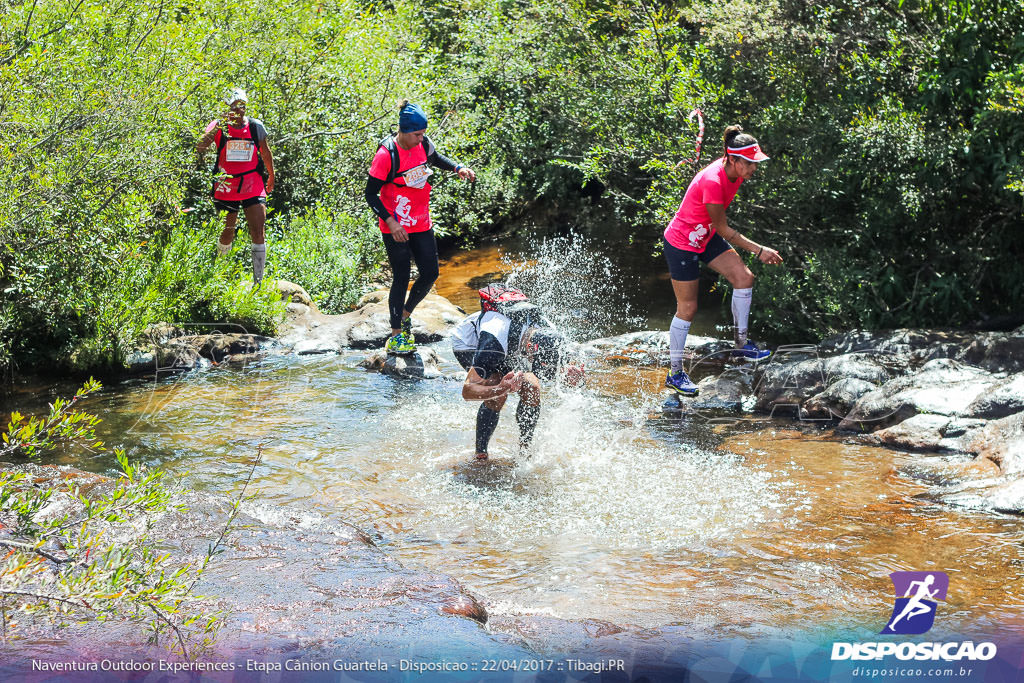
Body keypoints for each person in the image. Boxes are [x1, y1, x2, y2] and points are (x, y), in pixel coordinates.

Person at [662, 125, 783, 396]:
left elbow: (715, 228)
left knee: (744, 278)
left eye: (756, 162)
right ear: (733, 160)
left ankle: (742, 344)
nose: (754, 168)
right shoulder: (713, 181)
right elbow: (724, 229)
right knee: (688, 308)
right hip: (682, 242)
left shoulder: (736, 174)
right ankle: (675, 373)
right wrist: (760, 249)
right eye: (750, 163)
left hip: (704, 235)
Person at [365, 100, 476, 355]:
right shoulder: (386, 155)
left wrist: (458, 167)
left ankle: (405, 315)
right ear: (403, 131)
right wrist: (391, 222)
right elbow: (371, 194)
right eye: (417, 134)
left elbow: (435, 158)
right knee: (401, 276)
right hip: (395, 224)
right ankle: (396, 335)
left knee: (430, 273)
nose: (421, 138)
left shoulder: (423, 145)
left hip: (421, 221)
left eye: (423, 133)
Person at [451, 292, 585, 461]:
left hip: (514, 345)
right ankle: (481, 453)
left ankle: (524, 449)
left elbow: (560, 365)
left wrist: (568, 373)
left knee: (532, 387)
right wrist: (502, 388)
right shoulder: (493, 343)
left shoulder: (550, 335)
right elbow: (468, 391)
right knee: (496, 388)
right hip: (468, 343)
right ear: (530, 347)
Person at [196, 88, 275, 284]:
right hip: (226, 186)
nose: (239, 111)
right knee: (227, 231)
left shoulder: (256, 127)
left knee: (258, 230)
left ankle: (258, 282)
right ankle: (221, 277)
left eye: (242, 106)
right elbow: (200, 146)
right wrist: (219, 124)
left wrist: (272, 175)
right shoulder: (219, 127)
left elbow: (265, 152)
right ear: (227, 108)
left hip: (252, 183)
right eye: (234, 107)